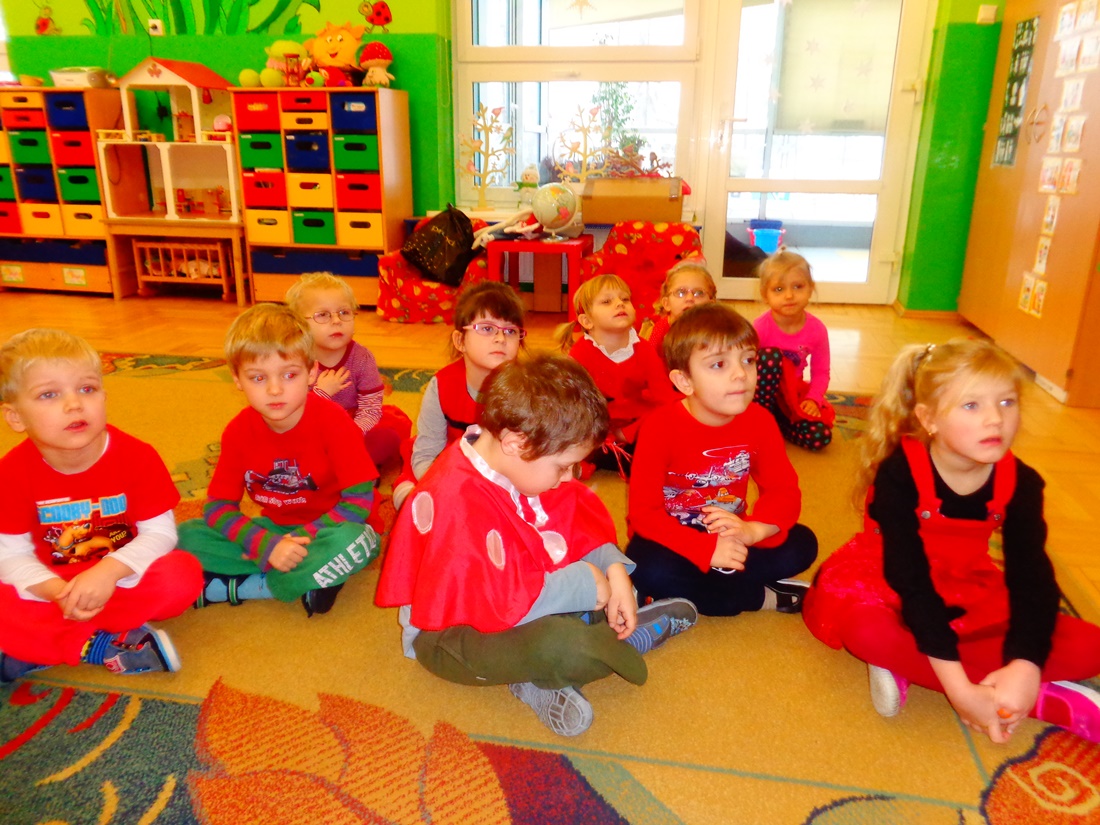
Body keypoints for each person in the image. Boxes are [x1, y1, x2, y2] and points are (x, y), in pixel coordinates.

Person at [375, 354, 698, 737]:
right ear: (516, 443)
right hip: (450, 637)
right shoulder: (455, 495)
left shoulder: (516, 459)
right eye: (562, 466)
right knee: (562, 646)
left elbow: (573, 520)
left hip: (525, 596)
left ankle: (553, 664)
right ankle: (619, 643)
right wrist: (583, 582)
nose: (569, 478)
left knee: (599, 594)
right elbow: (495, 601)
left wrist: (614, 571)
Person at [802, 339, 1100, 744]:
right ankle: (1044, 700)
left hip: (967, 584)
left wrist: (1025, 666)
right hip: (889, 581)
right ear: (929, 419)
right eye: (971, 405)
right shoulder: (899, 473)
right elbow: (911, 581)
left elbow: (1033, 579)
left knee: (1090, 645)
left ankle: (918, 667)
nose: (995, 419)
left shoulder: (1023, 482)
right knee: (867, 632)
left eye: (1007, 402)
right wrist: (960, 693)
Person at [0, 329, 202, 683]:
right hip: (52, 587)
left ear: (104, 396)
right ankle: (101, 646)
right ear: (16, 417)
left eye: (87, 389)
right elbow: (10, 555)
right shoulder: (11, 473)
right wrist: (57, 593)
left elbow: (160, 533)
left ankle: (40, 645)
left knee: (182, 575)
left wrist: (108, 572)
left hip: (122, 578)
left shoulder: (137, 456)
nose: (74, 404)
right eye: (49, 394)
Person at [177, 304, 380, 617]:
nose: (274, 389)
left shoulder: (335, 422)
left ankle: (252, 586)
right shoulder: (238, 431)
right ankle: (307, 578)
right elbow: (218, 508)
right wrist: (267, 545)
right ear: (237, 379)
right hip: (273, 529)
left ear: (312, 372)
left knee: (357, 541)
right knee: (185, 536)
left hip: (332, 529)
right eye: (258, 378)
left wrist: (295, 542)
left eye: (289, 375)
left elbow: (358, 503)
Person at [627, 303, 818, 616]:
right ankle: (757, 597)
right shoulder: (658, 427)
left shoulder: (760, 421)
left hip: (734, 533)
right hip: (674, 540)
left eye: (748, 360)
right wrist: (705, 549)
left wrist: (754, 531)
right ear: (684, 381)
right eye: (718, 364)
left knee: (802, 544)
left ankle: (704, 590)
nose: (741, 374)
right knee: (646, 567)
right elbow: (644, 514)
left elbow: (783, 490)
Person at [391, 280, 526, 510]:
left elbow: (528, 457)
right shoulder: (441, 385)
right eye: (487, 328)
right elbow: (427, 452)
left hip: (502, 469)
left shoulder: (526, 388)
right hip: (446, 465)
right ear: (460, 341)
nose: (500, 338)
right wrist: (445, 486)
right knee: (406, 495)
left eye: (510, 331)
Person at [285, 271, 411, 470]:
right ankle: (341, 465)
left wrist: (352, 434)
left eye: (344, 312)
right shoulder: (294, 360)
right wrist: (321, 393)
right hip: (312, 426)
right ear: (299, 325)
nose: (337, 321)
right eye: (323, 315)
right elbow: (293, 412)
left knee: (391, 432)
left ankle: (344, 464)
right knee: (281, 438)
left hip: (353, 424)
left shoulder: (362, 358)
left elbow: (370, 408)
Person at [555, 274, 678, 476]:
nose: (620, 304)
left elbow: (664, 397)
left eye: (625, 299)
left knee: (667, 421)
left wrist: (629, 432)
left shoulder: (643, 349)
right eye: (607, 301)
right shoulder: (581, 353)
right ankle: (592, 458)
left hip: (635, 424)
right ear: (587, 321)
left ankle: (618, 456)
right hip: (596, 426)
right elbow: (570, 402)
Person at [752, 250, 834, 451]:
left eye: (798, 286)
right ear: (765, 295)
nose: (789, 296)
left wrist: (813, 399)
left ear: (811, 288)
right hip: (759, 397)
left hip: (791, 398)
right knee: (770, 357)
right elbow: (744, 367)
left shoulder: (817, 330)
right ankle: (761, 422)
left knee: (820, 437)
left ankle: (780, 425)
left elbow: (821, 372)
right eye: (778, 289)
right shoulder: (760, 328)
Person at [640, 260, 717, 360]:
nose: (689, 298)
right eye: (680, 293)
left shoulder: (717, 331)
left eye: (698, 293)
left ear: (711, 304)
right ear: (667, 304)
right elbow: (649, 361)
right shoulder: (660, 331)